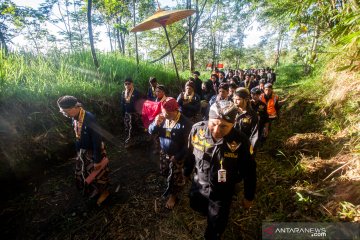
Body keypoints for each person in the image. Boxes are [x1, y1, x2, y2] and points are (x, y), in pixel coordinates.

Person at [184, 100, 256, 240]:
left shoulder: (241, 141)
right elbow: (189, 155)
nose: (217, 131)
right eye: (213, 124)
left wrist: (249, 196)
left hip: (223, 192)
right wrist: (186, 172)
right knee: (199, 207)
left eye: (224, 126)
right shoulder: (197, 131)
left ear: (233, 123)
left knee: (217, 223)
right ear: (208, 119)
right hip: (200, 185)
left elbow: (250, 171)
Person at [57, 96, 110, 206]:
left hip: (94, 150)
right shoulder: (74, 117)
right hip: (83, 151)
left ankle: (105, 192)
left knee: (99, 172)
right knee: (86, 173)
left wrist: (97, 160)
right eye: (63, 112)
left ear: (73, 108)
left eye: (65, 111)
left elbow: (97, 139)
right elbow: (78, 136)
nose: (64, 114)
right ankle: (95, 190)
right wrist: (79, 153)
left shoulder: (89, 118)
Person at [148, 97, 192, 209]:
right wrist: (155, 124)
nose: (163, 114)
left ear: (174, 111)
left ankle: (173, 196)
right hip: (164, 153)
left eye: (166, 112)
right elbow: (150, 131)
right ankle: (170, 184)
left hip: (177, 156)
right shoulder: (162, 118)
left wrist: (177, 157)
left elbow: (189, 145)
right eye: (162, 111)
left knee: (176, 177)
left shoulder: (185, 124)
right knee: (165, 172)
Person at [120, 77, 144, 148]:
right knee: (127, 127)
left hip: (134, 114)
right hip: (127, 113)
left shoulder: (137, 92)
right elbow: (122, 103)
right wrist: (123, 113)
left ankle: (130, 142)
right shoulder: (123, 92)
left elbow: (140, 103)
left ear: (132, 84)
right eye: (125, 84)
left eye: (128, 84)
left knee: (132, 128)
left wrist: (139, 113)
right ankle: (129, 139)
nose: (127, 85)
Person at [233, 87, 259, 151]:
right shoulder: (231, 112)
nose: (235, 101)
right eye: (234, 99)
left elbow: (254, 135)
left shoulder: (253, 115)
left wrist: (250, 149)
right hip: (231, 146)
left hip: (244, 147)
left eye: (238, 99)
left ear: (246, 99)